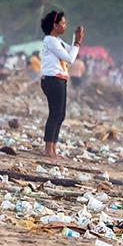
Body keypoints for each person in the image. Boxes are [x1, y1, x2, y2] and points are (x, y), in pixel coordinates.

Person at [38, 9, 84, 158]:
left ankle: (53, 148)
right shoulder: (50, 40)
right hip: (52, 79)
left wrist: (76, 40)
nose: (65, 25)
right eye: (63, 23)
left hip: (60, 79)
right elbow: (70, 59)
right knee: (55, 113)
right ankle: (48, 149)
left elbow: (71, 51)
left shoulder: (57, 41)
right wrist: (77, 42)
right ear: (55, 25)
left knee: (61, 114)